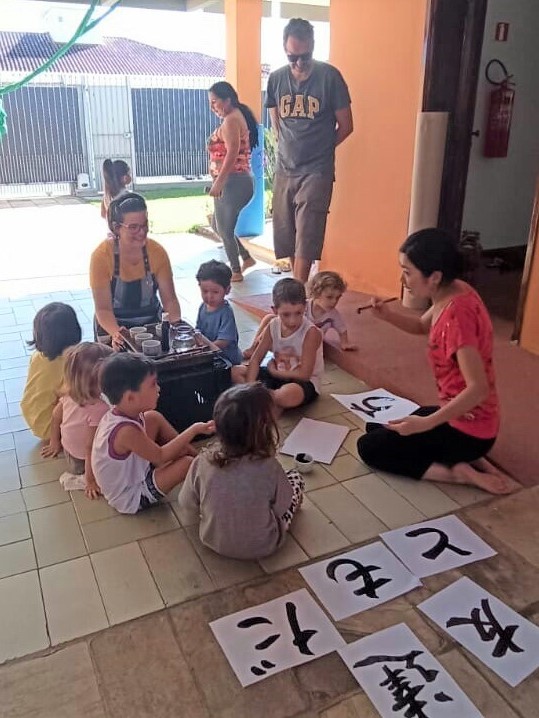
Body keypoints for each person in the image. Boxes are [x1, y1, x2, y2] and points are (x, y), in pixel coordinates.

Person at [357, 228, 518, 495]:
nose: (403, 279)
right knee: (377, 426)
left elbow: (477, 388)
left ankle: (459, 474)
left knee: (369, 447)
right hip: (467, 418)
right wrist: (386, 315)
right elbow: (422, 326)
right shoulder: (454, 291)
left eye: (408, 272)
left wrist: (426, 424)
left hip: (470, 432)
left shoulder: (457, 318)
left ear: (434, 277)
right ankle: (470, 459)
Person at [265, 18, 353, 284]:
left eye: (305, 56)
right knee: (287, 230)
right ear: (284, 49)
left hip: (317, 169)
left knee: (307, 230)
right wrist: (284, 143)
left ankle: (298, 292)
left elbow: (347, 125)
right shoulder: (277, 78)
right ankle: (297, 285)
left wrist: (322, 150)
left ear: (313, 48)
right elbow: (274, 114)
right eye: (293, 57)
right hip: (286, 167)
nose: (299, 64)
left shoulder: (330, 77)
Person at [177, 383, 304, 560]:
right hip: (265, 545)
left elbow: (186, 503)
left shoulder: (202, 461)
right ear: (263, 431)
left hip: (212, 540)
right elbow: (282, 505)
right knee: (296, 479)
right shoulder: (270, 466)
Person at [92, 353, 214, 514]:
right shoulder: (125, 431)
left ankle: (202, 461)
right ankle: (205, 486)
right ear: (130, 398)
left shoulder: (122, 410)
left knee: (153, 418)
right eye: (152, 384)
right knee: (185, 464)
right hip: (131, 495)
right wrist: (194, 430)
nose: (158, 388)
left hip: (135, 468)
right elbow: (161, 456)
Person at [90, 192, 181, 350]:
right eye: (133, 227)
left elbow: (170, 300)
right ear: (116, 227)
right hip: (113, 327)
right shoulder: (102, 256)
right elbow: (103, 309)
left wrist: (175, 327)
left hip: (151, 325)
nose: (142, 232)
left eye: (145, 225)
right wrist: (117, 334)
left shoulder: (157, 252)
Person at [41, 342, 113, 498]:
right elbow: (90, 448)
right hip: (82, 461)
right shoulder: (99, 409)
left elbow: (55, 415)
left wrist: (54, 442)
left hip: (68, 450)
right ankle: (81, 479)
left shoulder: (69, 393)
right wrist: (90, 480)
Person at [241, 278, 323, 411]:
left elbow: (304, 374)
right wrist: (250, 386)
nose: (292, 321)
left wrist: (274, 371)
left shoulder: (311, 332)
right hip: (278, 374)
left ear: (305, 307)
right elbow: (256, 359)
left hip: (303, 383)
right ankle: (262, 397)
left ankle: (264, 398)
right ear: (274, 310)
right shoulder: (272, 325)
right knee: (236, 372)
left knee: (287, 394)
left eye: (298, 313)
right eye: (286, 315)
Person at [207, 81, 258, 282]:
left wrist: (219, 182)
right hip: (236, 181)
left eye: (214, 102)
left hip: (233, 182)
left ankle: (235, 271)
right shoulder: (235, 117)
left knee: (225, 229)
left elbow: (232, 153)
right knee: (217, 224)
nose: (213, 107)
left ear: (227, 100)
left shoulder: (230, 121)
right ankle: (246, 258)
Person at [243, 269, 356, 358]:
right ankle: (254, 347)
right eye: (329, 297)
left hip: (307, 346)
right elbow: (281, 320)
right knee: (269, 318)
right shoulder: (303, 306)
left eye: (337, 298)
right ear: (315, 293)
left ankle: (266, 346)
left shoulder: (333, 314)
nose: (334, 302)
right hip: (290, 337)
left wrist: (344, 343)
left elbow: (342, 329)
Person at [20, 303, 82, 441]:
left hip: (32, 416)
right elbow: (68, 393)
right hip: (50, 426)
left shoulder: (37, 356)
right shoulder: (68, 364)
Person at [195, 260, 243, 367]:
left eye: (215, 292)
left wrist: (206, 348)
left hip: (226, 358)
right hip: (209, 353)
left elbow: (224, 341)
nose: (209, 296)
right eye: (205, 291)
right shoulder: (202, 307)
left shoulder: (226, 312)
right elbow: (198, 331)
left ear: (227, 290)